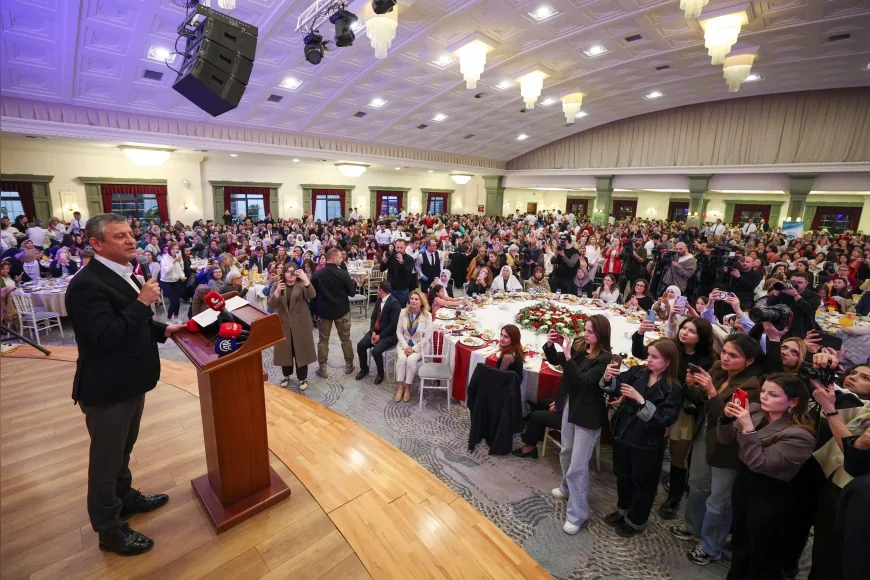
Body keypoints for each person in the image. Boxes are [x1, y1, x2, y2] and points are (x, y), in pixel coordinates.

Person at [64, 213, 183, 556]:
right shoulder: (87, 284)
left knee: (123, 451)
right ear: (96, 244)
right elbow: (105, 336)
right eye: (119, 236)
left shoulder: (124, 273)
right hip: (108, 388)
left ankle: (125, 498)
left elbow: (132, 321)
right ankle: (109, 530)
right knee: (105, 463)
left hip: (131, 380)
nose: (131, 240)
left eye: (130, 233)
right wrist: (142, 302)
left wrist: (162, 329)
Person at [672, 334, 762, 566]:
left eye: (734, 355)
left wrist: (712, 393)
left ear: (749, 361)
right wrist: (692, 385)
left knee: (719, 499)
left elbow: (728, 418)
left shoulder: (752, 386)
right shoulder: (718, 370)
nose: (725, 358)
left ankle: (711, 546)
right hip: (705, 433)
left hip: (728, 445)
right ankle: (693, 526)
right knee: (697, 485)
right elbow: (699, 401)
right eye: (724, 352)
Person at [716, 372, 815, 579]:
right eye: (763, 391)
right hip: (744, 483)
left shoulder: (799, 435)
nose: (764, 397)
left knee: (761, 551)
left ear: (794, 401)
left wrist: (747, 428)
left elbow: (759, 463)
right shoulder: (755, 411)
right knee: (740, 540)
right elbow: (725, 440)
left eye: (773, 394)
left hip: (770, 494)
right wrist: (727, 418)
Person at [604, 338, 684, 537]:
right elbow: (617, 385)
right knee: (622, 475)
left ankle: (636, 521)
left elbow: (665, 418)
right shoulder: (638, 372)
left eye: (655, 357)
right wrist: (608, 377)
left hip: (648, 442)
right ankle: (623, 510)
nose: (649, 360)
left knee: (643, 483)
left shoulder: (674, 389)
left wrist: (640, 400)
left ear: (668, 361)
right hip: (624, 432)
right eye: (649, 355)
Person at [544, 315, 612, 534]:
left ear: (601, 334)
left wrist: (567, 355)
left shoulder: (605, 358)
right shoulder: (581, 345)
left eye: (590, 331)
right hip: (572, 405)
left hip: (589, 414)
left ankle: (577, 514)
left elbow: (582, 381)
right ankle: (566, 487)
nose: (585, 334)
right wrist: (551, 345)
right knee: (566, 452)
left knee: (578, 466)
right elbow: (558, 362)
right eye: (585, 329)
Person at [268, 266, 316, 391]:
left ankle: (302, 378)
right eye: (288, 271)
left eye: (293, 271)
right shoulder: (278, 285)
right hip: (284, 323)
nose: (291, 274)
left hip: (301, 323)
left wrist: (306, 280)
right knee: (285, 350)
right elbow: (271, 304)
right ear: (284, 273)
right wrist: (277, 292)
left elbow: (312, 295)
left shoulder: (302, 284)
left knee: (301, 351)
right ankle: (286, 376)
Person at [311, 248, 357, 379]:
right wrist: (352, 282)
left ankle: (323, 368)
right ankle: (349, 365)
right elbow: (352, 293)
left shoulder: (317, 274)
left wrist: (314, 311)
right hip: (341, 311)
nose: (342, 259)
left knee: (323, 341)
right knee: (345, 339)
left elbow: (313, 295)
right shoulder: (343, 274)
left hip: (323, 311)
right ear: (333, 258)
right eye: (340, 257)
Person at [356, 280, 401, 385]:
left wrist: (380, 336)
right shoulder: (378, 300)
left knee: (376, 351)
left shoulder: (395, 304)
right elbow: (373, 317)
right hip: (376, 331)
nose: (377, 290)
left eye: (378, 288)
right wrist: (372, 331)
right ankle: (364, 369)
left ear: (381, 290)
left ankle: (380, 374)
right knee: (360, 345)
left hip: (389, 335)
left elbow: (393, 325)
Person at [394, 289, 433, 402]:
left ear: (421, 302)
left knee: (411, 360)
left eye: (416, 299)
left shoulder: (427, 316)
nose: (413, 301)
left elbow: (427, 337)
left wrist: (414, 349)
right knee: (401, 359)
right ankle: (400, 387)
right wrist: (406, 346)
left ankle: (408, 387)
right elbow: (399, 332)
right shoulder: (403, 312)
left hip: (420, 346)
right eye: (412, 298)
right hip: (404, 344)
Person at [766, 271, 822, 339]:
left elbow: (809, 310)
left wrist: (795, 295)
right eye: (793, 281)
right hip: (782, 329)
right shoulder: (784, 293)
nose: (795, 284)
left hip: (802, 330)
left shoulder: (814, 296)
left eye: (799, 282)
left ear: (806, 283)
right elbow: (770, 304)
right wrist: (776, 292)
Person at [380, 238, 414, 306]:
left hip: (402, 290)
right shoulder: (391, 257)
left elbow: (408, 273)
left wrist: (402, 262)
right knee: (388, 308)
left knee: (401, 309)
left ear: (405, 247)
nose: (399, 250)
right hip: (390, 289)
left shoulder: (410, 259)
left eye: (401, 248)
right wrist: (384, 261)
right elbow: (382, 269)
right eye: (397, 247)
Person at [158, 243, 185, 324]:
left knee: (177, 301)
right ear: (169, 250)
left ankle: (175, 318)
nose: (175, 250)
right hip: (166, 282)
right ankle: (168, 320)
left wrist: (182, 276)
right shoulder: (165, 259)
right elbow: (166, 271)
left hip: (176, 281)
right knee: (173, 301)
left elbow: (181, 269)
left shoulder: (179, 257)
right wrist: (174, 261)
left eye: (177, 249)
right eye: (173, 249)